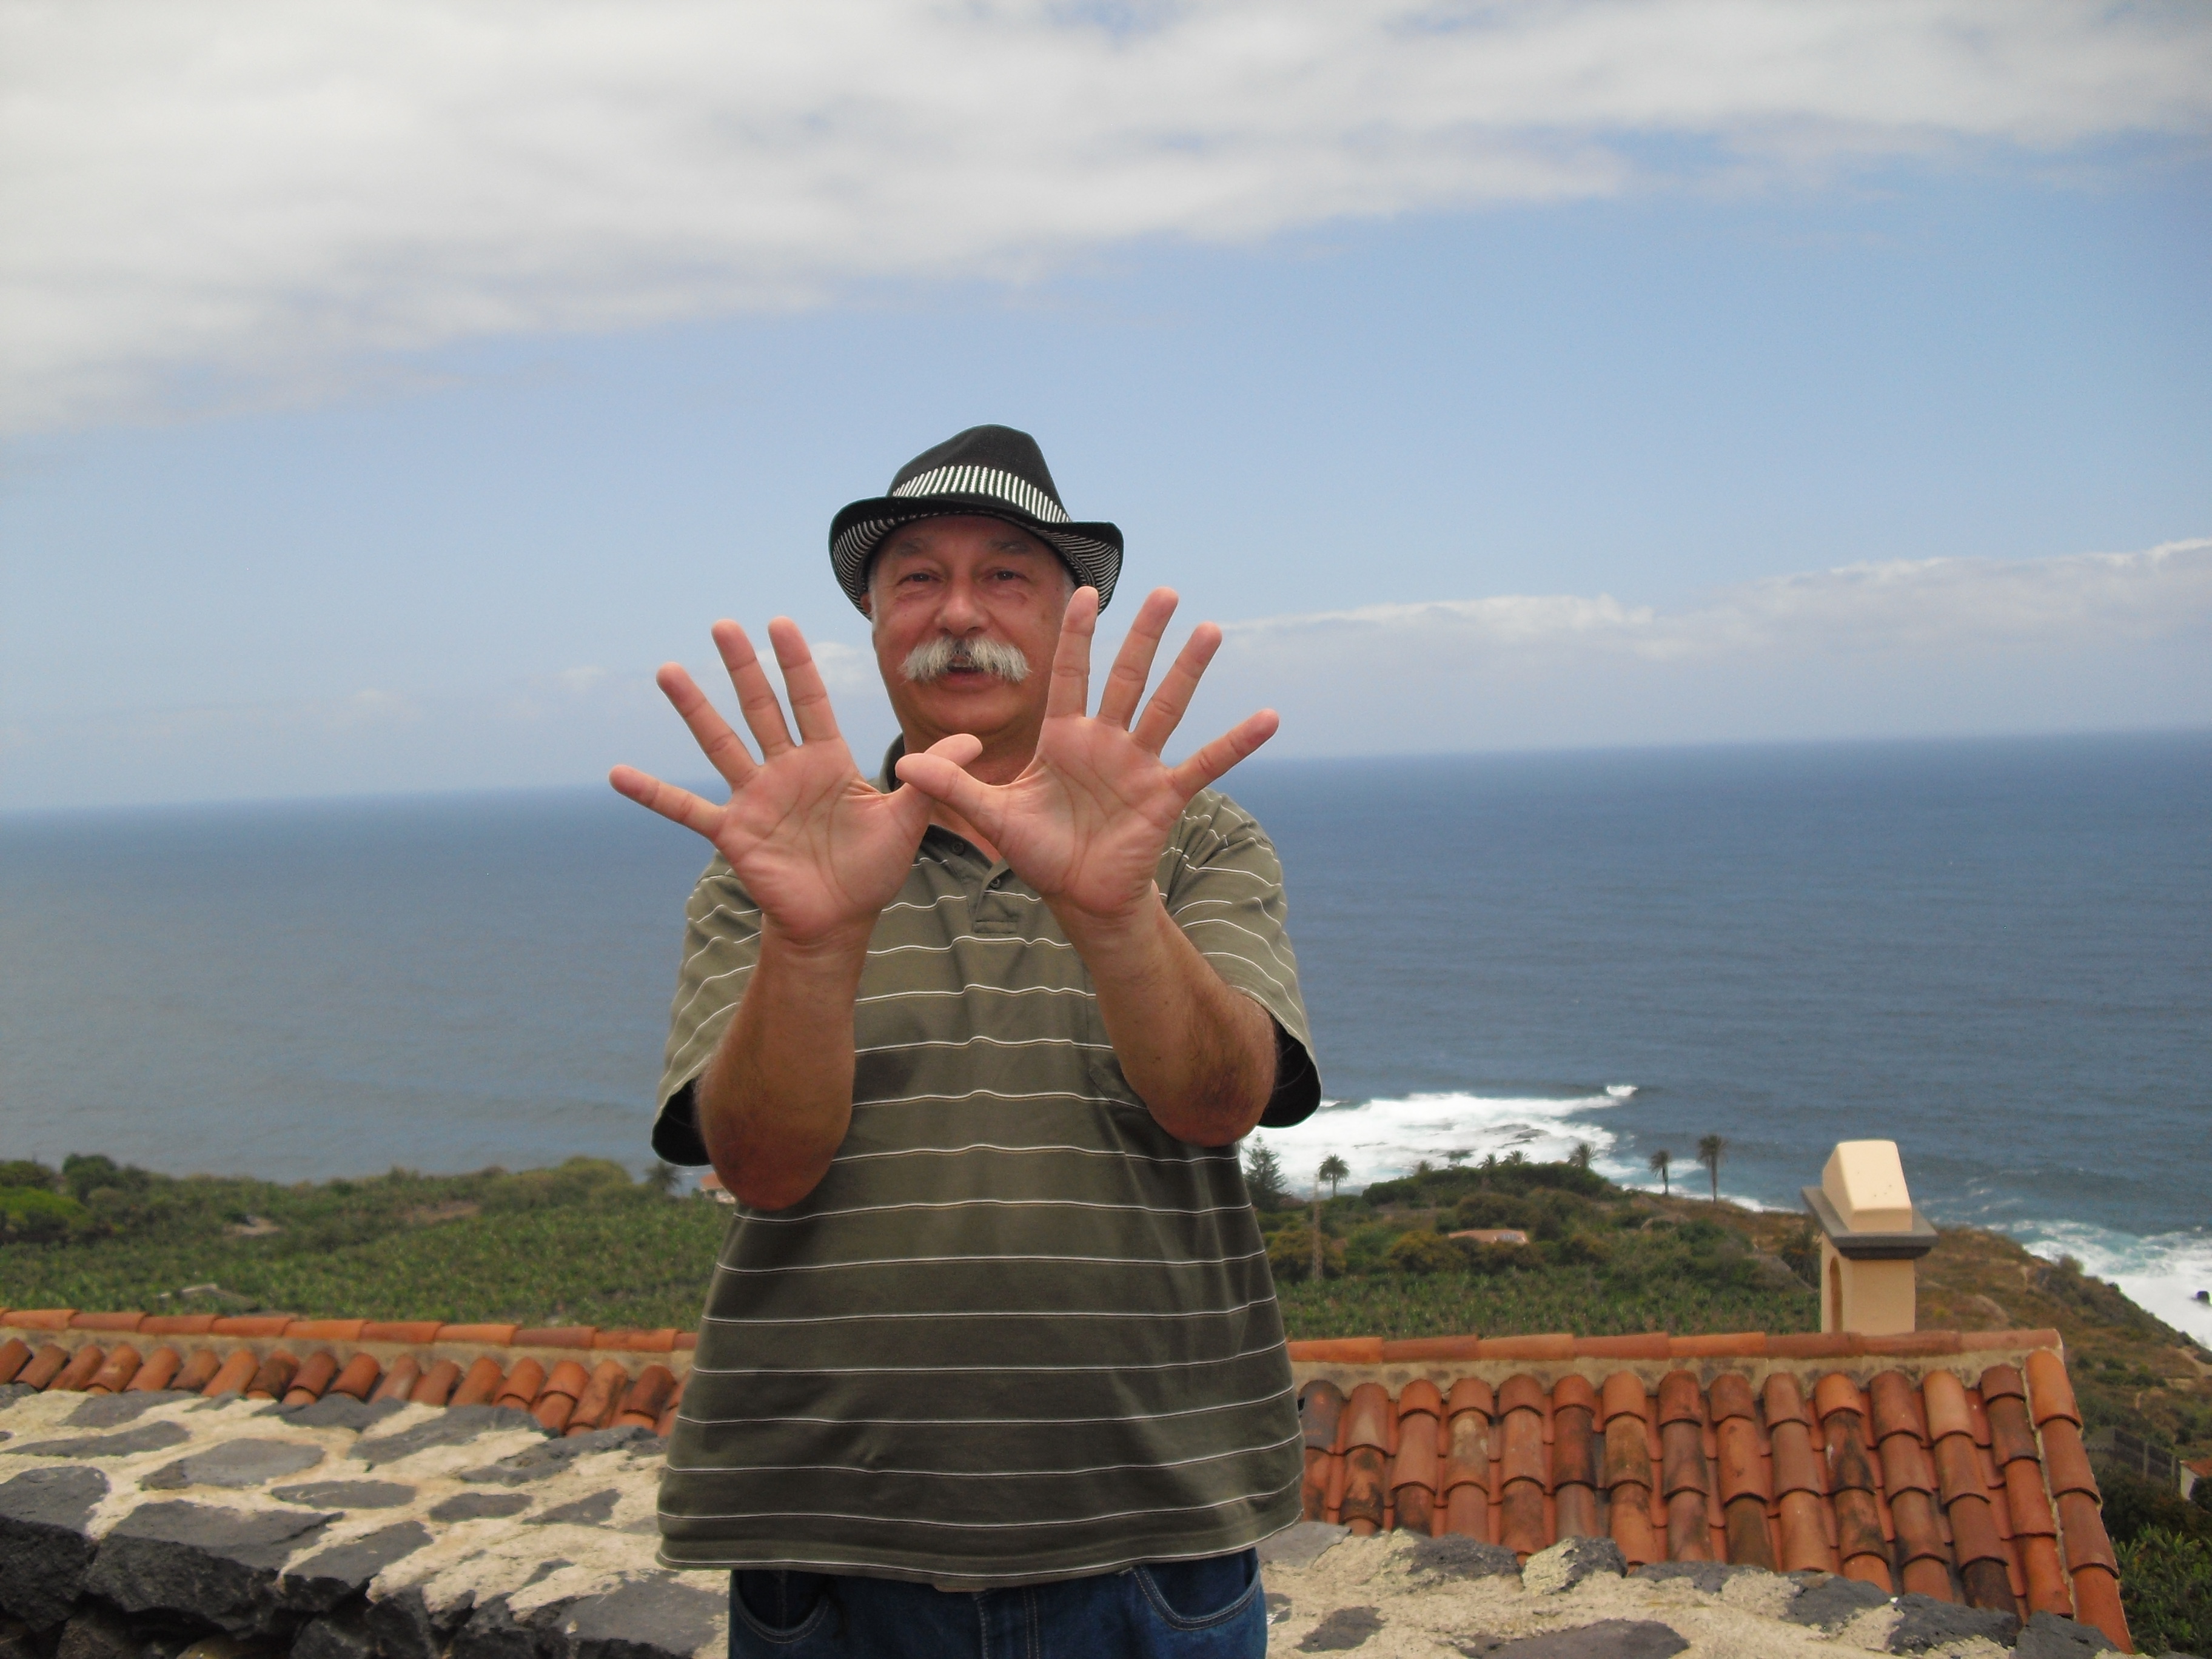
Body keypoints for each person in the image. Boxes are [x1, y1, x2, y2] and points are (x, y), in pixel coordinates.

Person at [610, 424, 1321, 1658]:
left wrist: (1116, 912)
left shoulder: (1196, 843)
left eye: (1007, 574)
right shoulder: (773, 876)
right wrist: (816, 943)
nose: (959, 613)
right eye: (916, 579)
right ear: (876, 626)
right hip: (824, 1539)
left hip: (1153, 1526)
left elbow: (1220, 1103)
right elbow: (763, 1168)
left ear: (1066, 618)